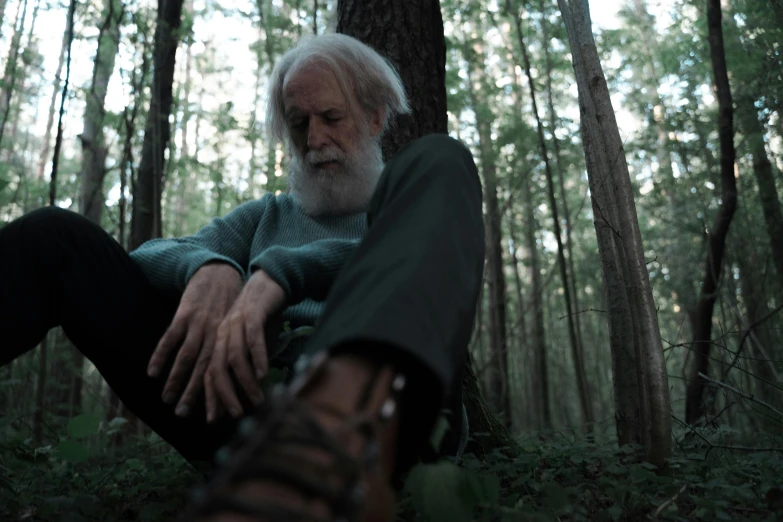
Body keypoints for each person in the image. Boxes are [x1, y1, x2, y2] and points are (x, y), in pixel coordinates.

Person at [0, 33, 484, 521]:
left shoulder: (408, 203)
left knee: (442, 156)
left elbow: (409, 260)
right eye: (299, 124)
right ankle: (281, 469)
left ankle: (322, 446)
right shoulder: (266, 216)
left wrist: (280, 274)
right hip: (243, 405)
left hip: (389, 415)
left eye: (331, 118)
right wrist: (209, 267)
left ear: (375, 117)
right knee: (53, 238)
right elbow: (144, 258)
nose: (314, 140)